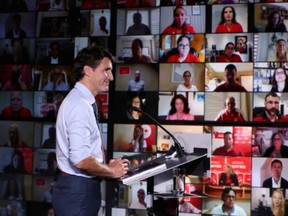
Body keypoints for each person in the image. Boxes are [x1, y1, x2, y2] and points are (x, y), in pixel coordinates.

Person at [52, 46, 129, 216]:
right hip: (77, 192)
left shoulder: (83, 102)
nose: (111, 77)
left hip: (79, 189)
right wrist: (112, 171)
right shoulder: (79, 105)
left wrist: (105, 167)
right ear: (88, 70)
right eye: (106, 70)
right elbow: (80, 160)